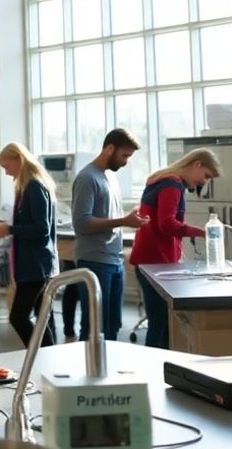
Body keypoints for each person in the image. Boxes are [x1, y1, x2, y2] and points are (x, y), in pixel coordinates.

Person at [126, 148, 221, 349]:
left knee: (159, 323)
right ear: (197, 164)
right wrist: (201, 232)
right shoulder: (173, 185)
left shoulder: (162, 180)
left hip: (150, 260)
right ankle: (158, 371)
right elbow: (166, 224)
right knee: (161, 325)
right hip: (156, 262)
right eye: (206, 176)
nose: (204, 182)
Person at [71, 128, 149, 342]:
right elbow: (82, 223)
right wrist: (124, 221)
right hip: (94, 261)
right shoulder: (87, 178)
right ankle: (87, 371)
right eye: (124, 155)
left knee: (113, 323)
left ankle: (109, 370)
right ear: (109, 149)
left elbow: (108, 217)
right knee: (95, 325)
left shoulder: (109, 177)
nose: (126, 162)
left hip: (113, 260)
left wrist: (129, 218)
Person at [0, 142, 58, 348]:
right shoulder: (27, 187)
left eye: (6, 166)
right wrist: (9, 227)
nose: (7, 173)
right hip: (34, 264)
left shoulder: (34, 187)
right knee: (42, 317)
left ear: (18, 159)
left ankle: (39, 352)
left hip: (36, 267)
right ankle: (46, 354)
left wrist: (10, 230)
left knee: (18, 317)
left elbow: (41, 229)